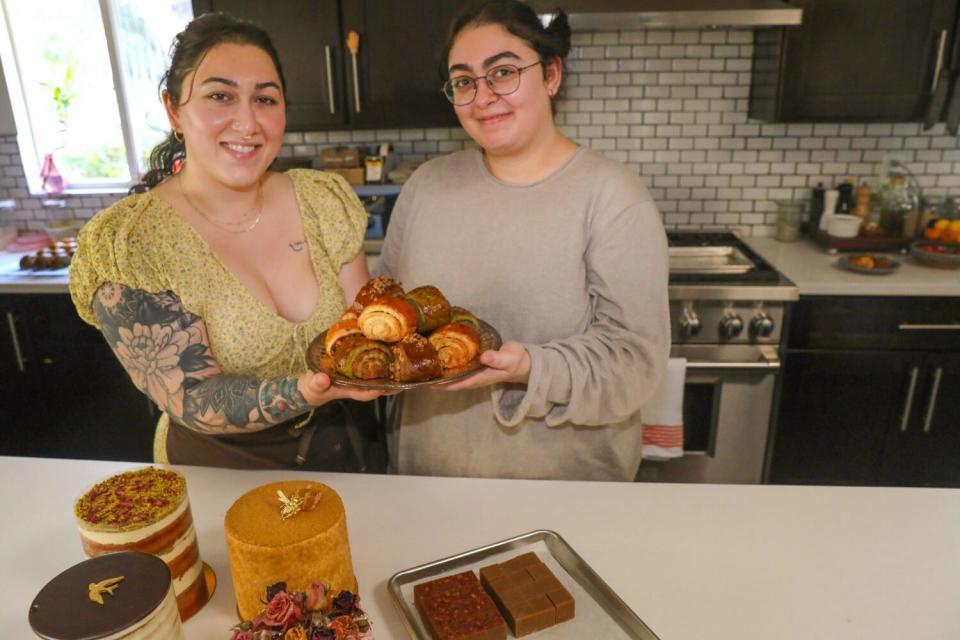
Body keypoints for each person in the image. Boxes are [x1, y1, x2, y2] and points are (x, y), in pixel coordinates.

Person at [69, 13, 386, 470]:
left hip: (344, 455)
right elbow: (192, 399)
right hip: (220, 473)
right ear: (174, 110)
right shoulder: (132, 245)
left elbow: (365, 326)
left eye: (265, 98)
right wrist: (308, 388)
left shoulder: (321, 201)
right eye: (221, 96)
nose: (248, 122)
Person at [378, 0, 670, 481]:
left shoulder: (613, 197)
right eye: (464, 81)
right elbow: (389, 312)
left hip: (561, 490)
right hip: (428, 479)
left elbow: (633, 363)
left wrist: (530, 365)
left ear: (551, 75)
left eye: (504, 72)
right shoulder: (425, 187)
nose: (483, 96)